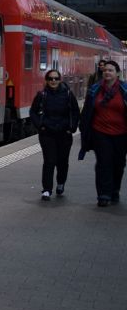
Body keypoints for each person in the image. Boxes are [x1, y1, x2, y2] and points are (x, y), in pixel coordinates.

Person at [79, 61, 127, 206]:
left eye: (110, 70)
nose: (107, 72)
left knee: (119, 164)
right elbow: (87, 109)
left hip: (122, 133)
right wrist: (83, 127)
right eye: (105, 70)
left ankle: (114, 190)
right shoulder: (95, 89)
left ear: (117, 73)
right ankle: (103, 194)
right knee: (103, 163)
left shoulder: (124, 90)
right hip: (100, 132)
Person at [30, 69, 80, 201]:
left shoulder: (68, 94)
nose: (53, 81)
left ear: (60, 80)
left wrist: (72, 128)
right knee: (49, 161)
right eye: (51, 79)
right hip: (47, 133)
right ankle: (47, 189)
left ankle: (60, 182)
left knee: (62, 162)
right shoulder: (42, 95)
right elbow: (33, 111)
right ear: (46, 80)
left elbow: (75, 111)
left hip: (64, 133)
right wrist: (40, 126)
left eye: (56, 78)